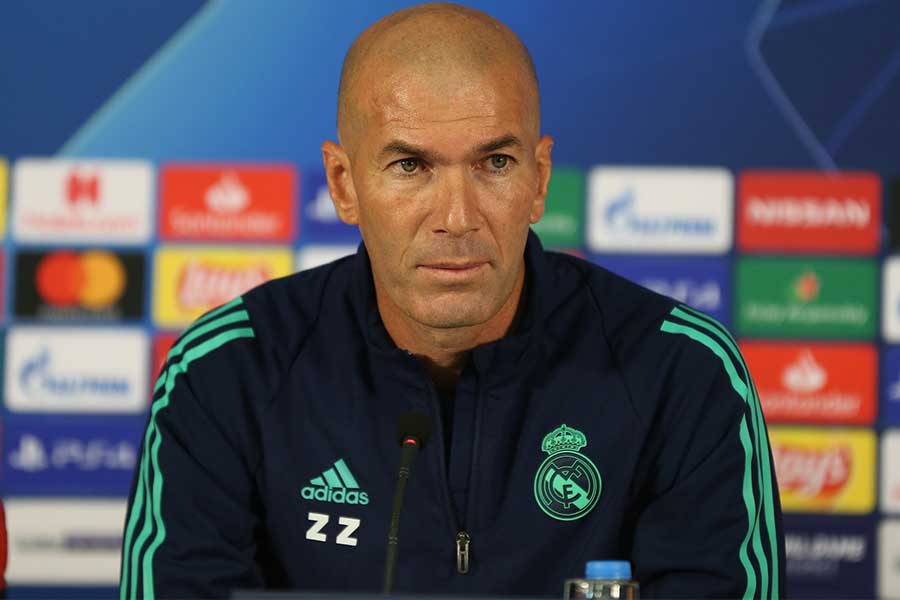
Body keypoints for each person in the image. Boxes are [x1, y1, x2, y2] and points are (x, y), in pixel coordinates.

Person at [120, 3, 785, 598]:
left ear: (538, 180)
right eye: (411, 166)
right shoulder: (227, 372)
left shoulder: (681, 373)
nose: (457, 218)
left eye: (495, 164)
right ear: (344, 185)